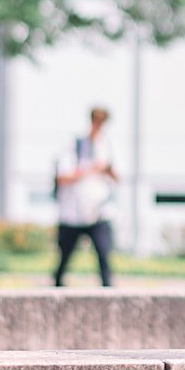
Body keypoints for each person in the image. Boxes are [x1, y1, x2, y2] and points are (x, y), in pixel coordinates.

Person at [55, 106, 117, 287]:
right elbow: (63, 176)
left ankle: (108, 294)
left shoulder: (108, 145)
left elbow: (117, 177)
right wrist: (91, 169)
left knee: (104, 256)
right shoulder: (75, 145)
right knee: (64, 258)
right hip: (73, 214)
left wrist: (107, 170)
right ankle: (56, 291)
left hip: (99, 212)